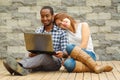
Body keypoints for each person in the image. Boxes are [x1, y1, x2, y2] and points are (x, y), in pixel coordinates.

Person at [3, 6, 68, 76]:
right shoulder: (38, 30)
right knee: (29, 55)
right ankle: (21, 70)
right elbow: (34, 48)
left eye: (47, 16)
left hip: (54, 62)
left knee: (44, 56)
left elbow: (66, 51)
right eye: (42, 16)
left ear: (52, 16)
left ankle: (19, 66)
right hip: (39, 60)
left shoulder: (61, 32)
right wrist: (32, 53)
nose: (45, 19)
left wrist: (63, 54)